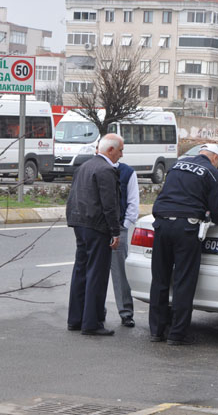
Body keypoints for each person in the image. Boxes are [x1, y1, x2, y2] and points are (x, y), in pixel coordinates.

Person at [149, 143, 218, 346]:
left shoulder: (176, 166)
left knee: (160, 279)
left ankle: (156, 331)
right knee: (184, 280)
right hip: (187, 228)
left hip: (162, 224)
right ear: (215, 159)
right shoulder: (214, 174)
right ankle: (177, 334)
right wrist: (215, 216)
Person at [66, 133, 123, 336]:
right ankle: (91, 323)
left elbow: (73, 196)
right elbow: (109, 205)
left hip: (80, 223)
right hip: (97, 227)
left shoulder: (85, 166)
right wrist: (115, 231)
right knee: (96, 275)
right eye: (120, 150)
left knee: (80, 271)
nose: (121, 155)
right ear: (110, 150)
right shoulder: (106, 170)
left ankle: (75, 319)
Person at [110, 161, 139, 328]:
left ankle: (126, 313)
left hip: (118, 227)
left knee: (120, 273)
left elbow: (133, 202)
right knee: (95, 273)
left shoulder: (127, 172)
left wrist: (125, 226)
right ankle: (97, 311)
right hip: (98, 228)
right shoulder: (93, 167)